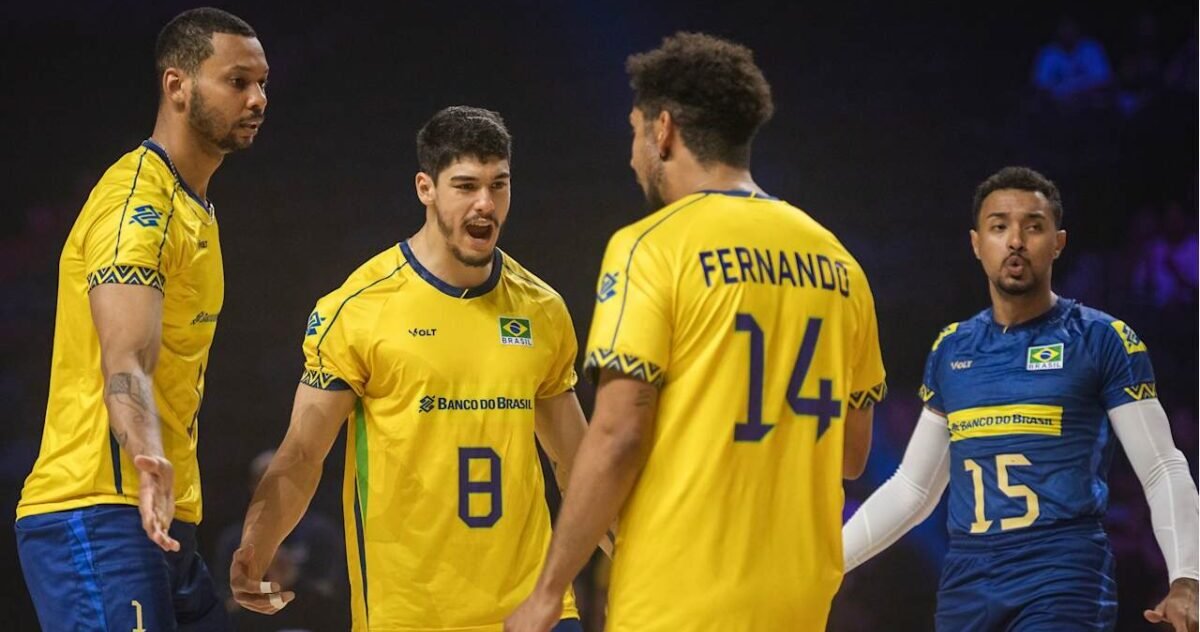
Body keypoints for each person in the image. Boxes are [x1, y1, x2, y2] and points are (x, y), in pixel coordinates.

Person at [507, 32, 887, 632]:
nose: (633, 155)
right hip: (799, 602)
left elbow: (618, 434)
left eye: (635, 133)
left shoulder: (650, 248)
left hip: (678, 598)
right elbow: (852, 454)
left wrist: (549, 589)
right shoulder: (840, 263)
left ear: (662, 130)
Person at [230, 106, 601, 632]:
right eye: (466, 185)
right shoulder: (359, 308)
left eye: (500, 185)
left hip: (534, 612)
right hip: (409, 615)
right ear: (425, 188)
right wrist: (255, 544)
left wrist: (636, 550)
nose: (486, 204)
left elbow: (577, 463)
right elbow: (303, 453)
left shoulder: (541, 308)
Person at [842, 166, 1199, 632]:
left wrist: (1187, 578)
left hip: (1062, 578)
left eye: (1033, 226)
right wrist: (829, 562)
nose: (1015, 240)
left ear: (1058, 242)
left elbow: (1162, 467)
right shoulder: (952, 347)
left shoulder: (1103, 338)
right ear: (976, 243)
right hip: (967, 583)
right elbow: (913, 490)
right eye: (999, 226)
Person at [14, 7, 268, 631]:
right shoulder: (139, 207)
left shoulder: (194, 208)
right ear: (177, 85)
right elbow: (124, 357)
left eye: (263, 83)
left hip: (160, 514)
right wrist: (148, 454)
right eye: (238, 82)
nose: (258, 99)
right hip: (99, 508)